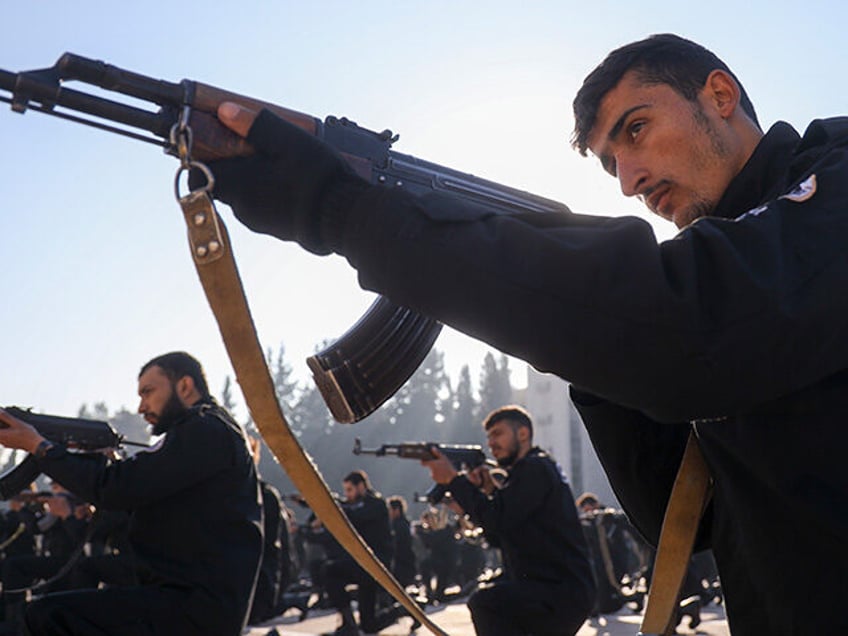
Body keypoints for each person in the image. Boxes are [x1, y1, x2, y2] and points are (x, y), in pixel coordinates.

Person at [192, 32, 848, 634]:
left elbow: (686, 325)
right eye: (609, 163)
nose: (628, 182)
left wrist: (339, 207)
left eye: (637, 129)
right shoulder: (737, 281)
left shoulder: (835, 176)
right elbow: (680, 513)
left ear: (721, 95)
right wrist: (586, 348)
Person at [0, 351, 263, 636]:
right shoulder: (206, 430)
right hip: (190, 600)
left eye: (148, 392)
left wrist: (40, 447)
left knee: (49, 615)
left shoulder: (205, 429)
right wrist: (88, 460)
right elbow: (129, 489)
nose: (141, 407)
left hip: (194, 607)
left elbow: (115, 488)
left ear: (185, 386)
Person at [422, 406, 594, 635]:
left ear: (522, 434)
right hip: (555, 588)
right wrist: (482, 494)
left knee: (486, 604)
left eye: (497, 434)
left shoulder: (535, 468)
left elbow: (497, 519)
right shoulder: (529, 472)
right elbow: (499, 535)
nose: (491, 443)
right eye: (488, 436)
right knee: (490, 598)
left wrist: (454, 480)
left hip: (560, 590)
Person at [322, 470, 395, 636]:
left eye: (349, 490)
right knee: (329, 571)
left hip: (375, 566)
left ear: (361, 486)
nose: (347, 495)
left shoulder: (376, 504)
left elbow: (356, 515)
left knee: (369, 626)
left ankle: (403, 610)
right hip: (360, 564)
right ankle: (348, 623)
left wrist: (335, 506)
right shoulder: (354, 505)